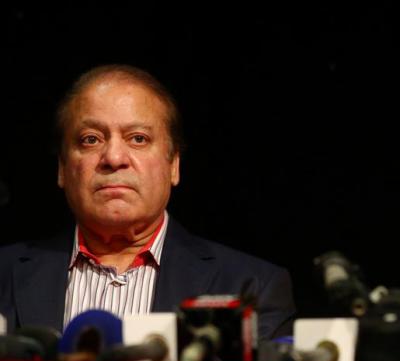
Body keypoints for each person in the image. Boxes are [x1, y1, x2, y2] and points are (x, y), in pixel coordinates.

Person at [0, 64, 296, 339]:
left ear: (173, 165)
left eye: (138, 139)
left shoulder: (252, 287)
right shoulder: (5, 273)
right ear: (62, 168)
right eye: (91, 139)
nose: (114, 158)